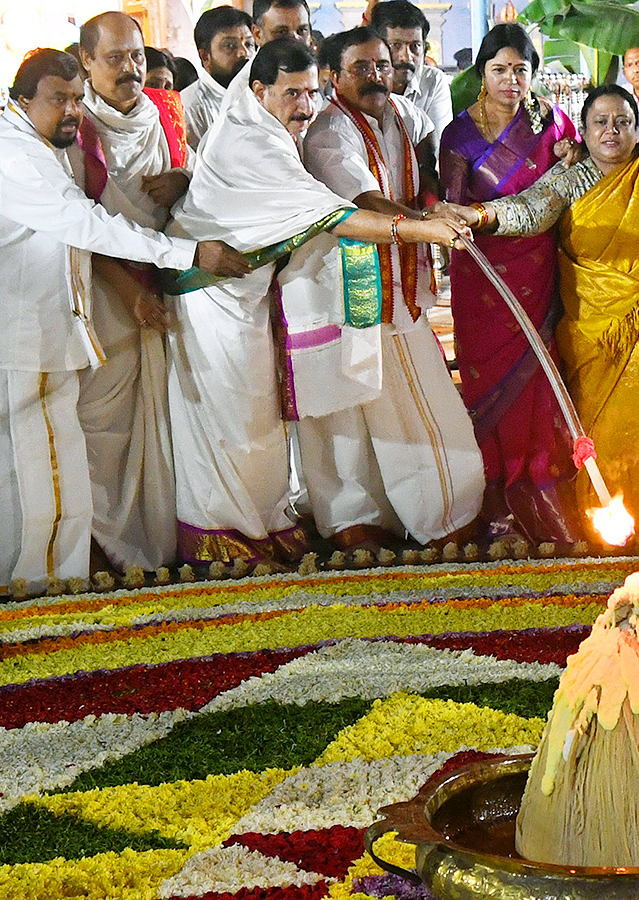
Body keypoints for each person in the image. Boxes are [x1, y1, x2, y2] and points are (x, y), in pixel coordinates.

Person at [0, 48, 247, 592]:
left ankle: (0, 588)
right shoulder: (15, 154)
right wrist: (188, 254)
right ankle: (42, 594)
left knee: (8, 476)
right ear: (20, 100)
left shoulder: (40, 145)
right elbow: (85, 224)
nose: (72, 110)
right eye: (58, 99)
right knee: (35, 478)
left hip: (23, 334)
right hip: (16, 336)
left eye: (77, 99)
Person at [166, 39, 472, 563]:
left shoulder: (271, 126)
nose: (305, 106)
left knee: (260, 424)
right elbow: (338, 214)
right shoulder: (253, 144)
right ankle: (224, 540)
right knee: (230, 426)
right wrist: (420, 231)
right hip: (211, 297)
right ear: (258, 90)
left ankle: (266, 527)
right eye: (291, 94)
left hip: (250, 292)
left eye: (311, 92)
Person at [445, 85, 639, 542]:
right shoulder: (572, 177)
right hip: (594, 328)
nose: (612, 131)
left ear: (638, 130)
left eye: (622, 121)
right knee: (602, 424)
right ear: (583, 131)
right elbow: (528, 210)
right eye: (600, 122)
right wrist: (476, 216)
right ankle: (609, 520)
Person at [298, 27, 484, 550]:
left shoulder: (402, 113)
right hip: (356, 280)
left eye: (381, 65)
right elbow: (366, 204)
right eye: (361, 68)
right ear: (333, 76)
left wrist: (442, 194)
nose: (376, 76)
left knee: (402, 393)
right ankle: (371, 517)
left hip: (402, 280)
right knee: (358, 403)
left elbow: (429, 155)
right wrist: (426, 222)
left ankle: (438, 508)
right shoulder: (330, 131)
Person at [438, 24, 579, 542]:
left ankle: (539, 483)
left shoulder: (553, 121)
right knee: (487, 380)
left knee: (542, 380)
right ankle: (497, 491)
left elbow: (579, 179)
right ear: (482, 74)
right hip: (483, 276)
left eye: (521, 69)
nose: (511, 80)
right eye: (500, 69)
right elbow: (448, 205)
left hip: (539, 269)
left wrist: (572, 157)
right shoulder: (459, 133)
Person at [78, 11, 196, 573]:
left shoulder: (168, 112)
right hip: (104, 294)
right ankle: (104, 548)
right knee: (105, 422)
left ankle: (161, 543)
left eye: (137, 57)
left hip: (168, 288)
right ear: (86, 63)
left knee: (166, 417)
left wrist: (185, 180)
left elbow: (201, 182)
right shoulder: (75, 128)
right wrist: (128, 292)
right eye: (115, 58)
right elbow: (77, 224)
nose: (130, 70)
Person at [371, 0, 453, 145]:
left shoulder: (433, 81)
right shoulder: (364, 83)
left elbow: (440, 146)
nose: (407, 57)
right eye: (396, 45)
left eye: (415, 46)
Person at [182, 5, 256, 149]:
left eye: (249, 44)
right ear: (205, 56)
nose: (244, 53)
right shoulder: (191, 107)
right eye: (230, 46)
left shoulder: (259, 96)